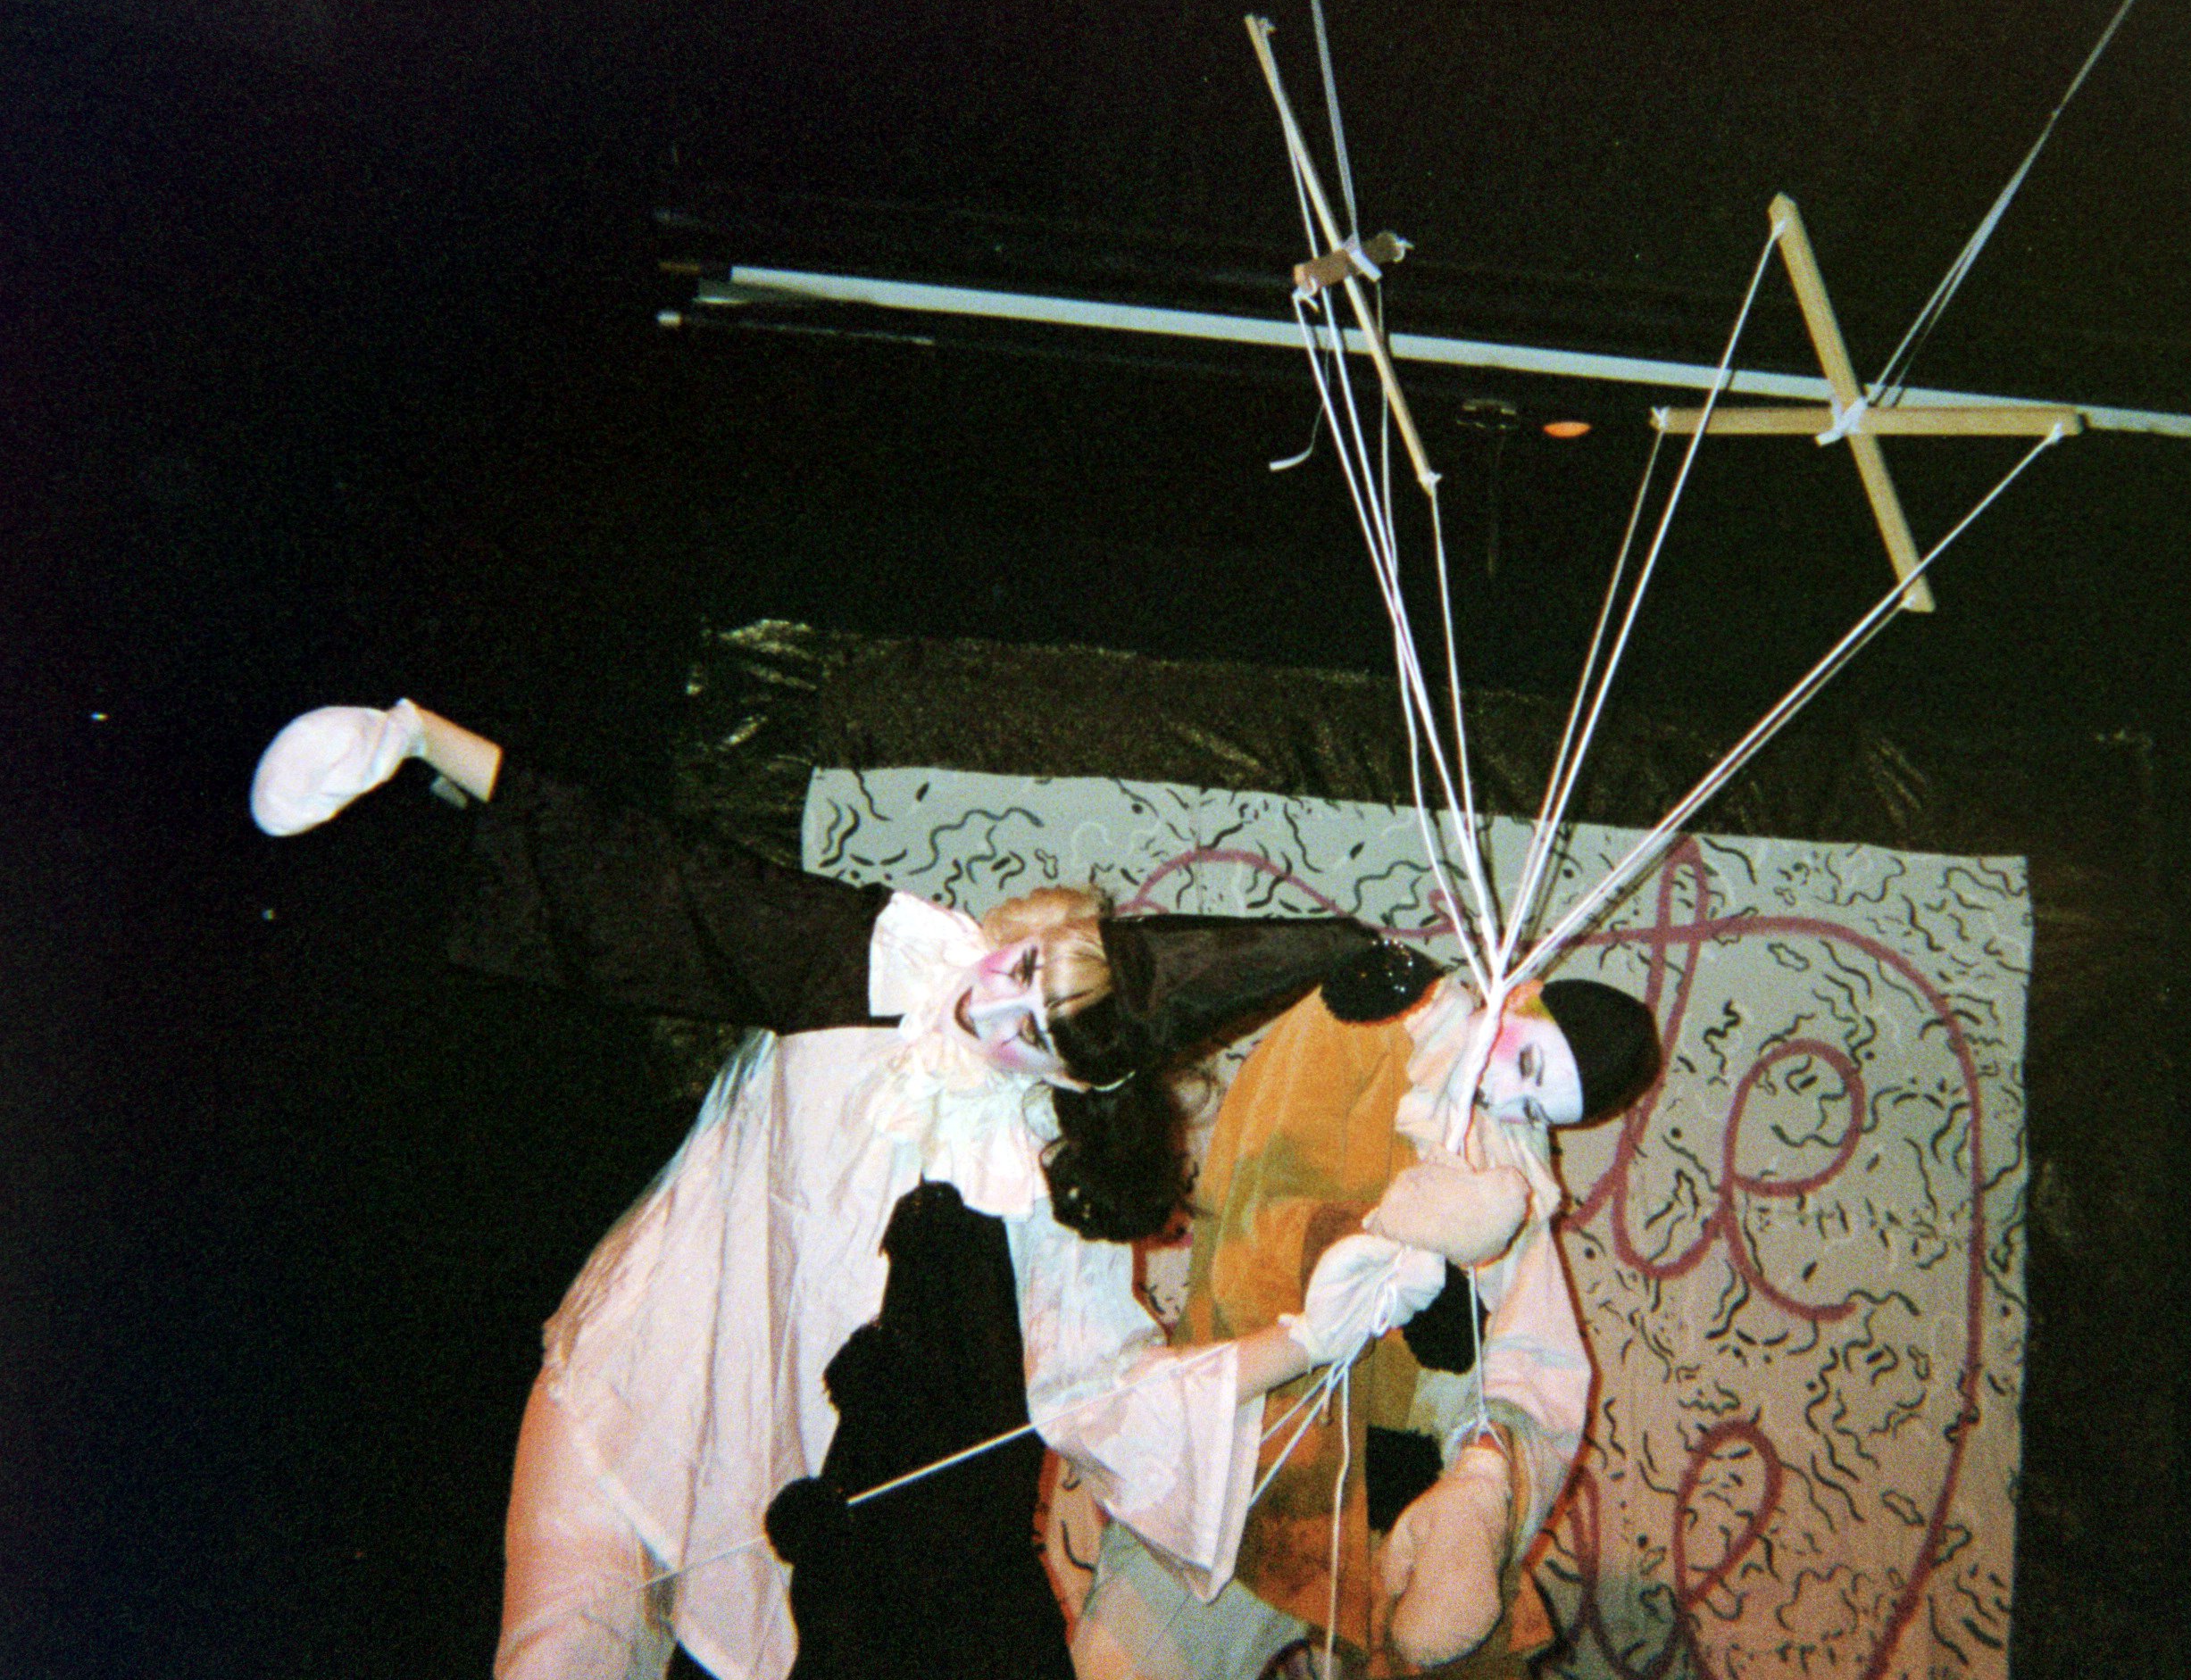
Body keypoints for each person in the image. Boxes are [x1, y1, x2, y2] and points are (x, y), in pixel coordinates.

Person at [249, 703, 1410, 1680]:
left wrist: (1312, 1335)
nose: (996, 1011)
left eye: (1039, 1031)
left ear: (1072, 1077)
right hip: (631, 1384)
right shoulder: (866, 965)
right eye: (1018, 973)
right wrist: (418, 739)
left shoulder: (1038, 1184)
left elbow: (1100, 1389)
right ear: (1015, 932)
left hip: (780, 1479)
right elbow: (651, 877)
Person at [1052, 944, 1661, 1680]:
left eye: (1535, 1107)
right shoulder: (1369, 1023)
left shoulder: (1510, 1164)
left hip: (1395, 1508)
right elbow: (1248, 1208)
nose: (1505, 1095)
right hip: (1252, 1467)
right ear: (1520, 997)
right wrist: (1373, 1248)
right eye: (1526, 1063)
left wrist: (1483, 1476)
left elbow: (1537, 1353)